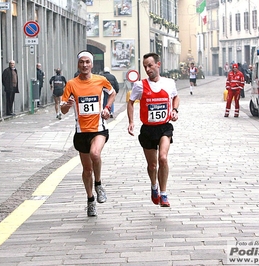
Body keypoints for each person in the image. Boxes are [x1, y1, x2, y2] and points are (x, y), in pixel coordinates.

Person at [60, 50, 116, 217]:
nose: (84, 65)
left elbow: (112, 93)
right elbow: (63, 110)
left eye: (87, 62)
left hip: (98, 128)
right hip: (81, 131)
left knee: (95, 154)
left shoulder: (101, 80)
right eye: (81, 62)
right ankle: (90, 199)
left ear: (92, 64)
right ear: (78, 64)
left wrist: (106, 108)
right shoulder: (71, 84)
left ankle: (98, 185)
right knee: (86, 170)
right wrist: (68, 105)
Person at [127, 52, 180, 208]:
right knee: (152, 165)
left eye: (150, 65)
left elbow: (176, 97)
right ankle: (154, 186)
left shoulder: (169, 83)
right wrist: (131, 121)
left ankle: (163, 194)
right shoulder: (139, 85)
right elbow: (130, 102)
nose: (147, 69)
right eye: (145, 66)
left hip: (164, 127)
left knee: (163, 158)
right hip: (148, 129)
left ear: (158, 64)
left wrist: (175, 110)